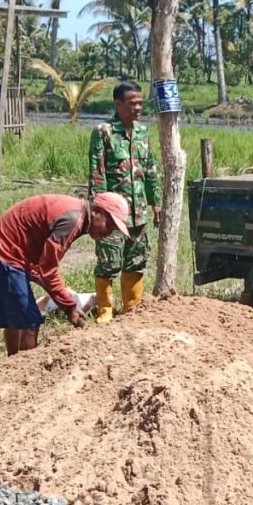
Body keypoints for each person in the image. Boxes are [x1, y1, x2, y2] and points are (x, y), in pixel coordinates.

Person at [0, 193, 131, 357]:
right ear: (96, 211)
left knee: (18, 319)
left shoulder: (76, 213)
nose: (109, 232)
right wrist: (69, 307)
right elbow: (47, 270)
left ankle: (12, 365)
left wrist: (63, 300)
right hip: (5, 252)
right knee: (30, 322)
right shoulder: (73, 220)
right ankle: (24, 369)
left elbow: (42, 268)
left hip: (2, 249)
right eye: (110, 225)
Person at [89, 81, 162, 324]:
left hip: (138, 212)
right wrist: (99, 212)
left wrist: (156, 202)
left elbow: (150, 169)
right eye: (133, 103)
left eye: (140, 103)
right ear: (118, 103)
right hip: (112, 215)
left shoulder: (143, 132)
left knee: (136, 260)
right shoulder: (104, 132)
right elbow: (97, 173)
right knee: (109, 261)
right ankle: (105, 310)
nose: (138, 108)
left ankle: (132, 308)